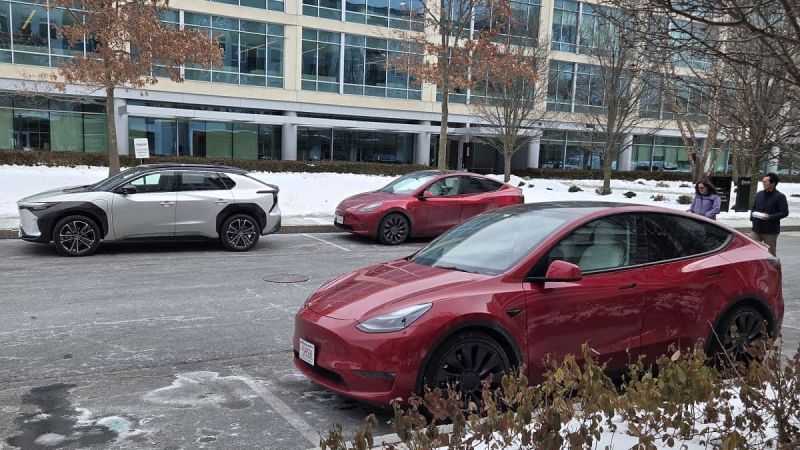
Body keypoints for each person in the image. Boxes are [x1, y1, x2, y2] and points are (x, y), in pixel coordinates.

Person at [750, 172, 789, 256]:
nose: (763, 183)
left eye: (765, 182)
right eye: (762, 181)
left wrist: (770, 217)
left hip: (770, 231)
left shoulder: (780, 196)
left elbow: (784, 212)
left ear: (773, 183)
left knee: (770, 254)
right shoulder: (759, 194)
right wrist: (752, 218)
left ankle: (772, 268)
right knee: (752, 251)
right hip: (756, 229)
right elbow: (753, 208)